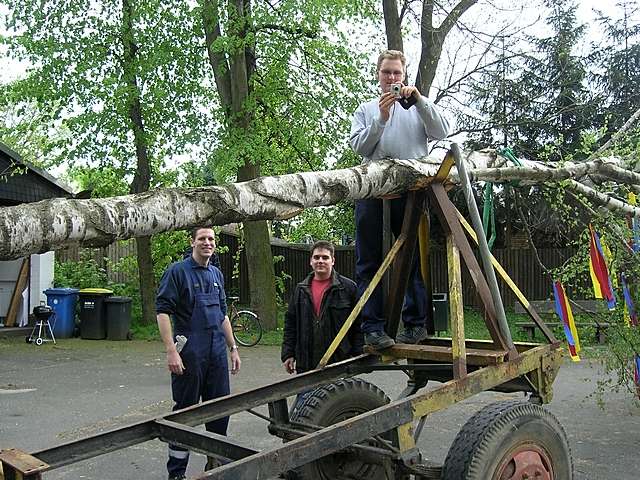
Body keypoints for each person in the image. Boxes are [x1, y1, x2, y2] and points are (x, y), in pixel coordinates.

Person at [350, 49, 452, 350]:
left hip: (411, 195)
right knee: (368, 263)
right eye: (386, 73)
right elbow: (359, 146)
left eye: (397, 73)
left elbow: (442, 130)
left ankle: (415, 324)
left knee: (412, 261)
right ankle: (372, 328)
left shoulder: (418, 106)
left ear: (404, 76)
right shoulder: (367, 109)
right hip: (373, 193)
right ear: (378, 75)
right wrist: (381, 119)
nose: (392, 79)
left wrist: (419, 100)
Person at [156, 227, 241, 480]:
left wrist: (233, 348)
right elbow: (162, 312)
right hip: (189, 351)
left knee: (219, 410)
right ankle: (177, 474)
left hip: (216, 352)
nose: (207, 243)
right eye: (202, 238)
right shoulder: (177, 272)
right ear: (192, 242)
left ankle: (215, 467)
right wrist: (171, 350)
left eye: (211, 239)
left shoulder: (216, 273)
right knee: (185, 413)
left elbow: (223, 315)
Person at [281, 240, 362, 377]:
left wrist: (357, 354)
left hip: (339, 363)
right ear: (310, 261)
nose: (320, 261)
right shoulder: (300, 290)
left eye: (325, 257)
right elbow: (291, 324)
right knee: (306, 399)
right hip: (306, 363)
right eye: (316, 257)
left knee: (339, 399)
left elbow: (358, 324)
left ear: (333, 261)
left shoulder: (348, 288)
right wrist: (288, 353)